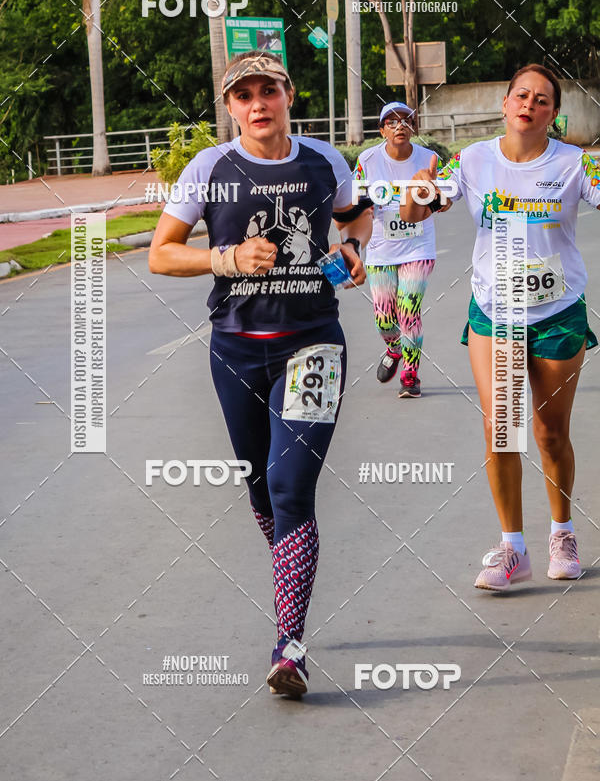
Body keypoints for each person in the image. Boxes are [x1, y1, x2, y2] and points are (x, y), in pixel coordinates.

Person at [148, 51, 372, 694]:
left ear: (289, 94)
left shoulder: (323, 160)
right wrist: (227, 258)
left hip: (314, 346)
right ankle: (288, 573)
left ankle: (289, 646)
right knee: (261, 494)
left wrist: (353, 245)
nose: (257, 104)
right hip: (237, 350)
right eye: (243, 95)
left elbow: (356, 213)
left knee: (289, 487)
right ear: (229, 107)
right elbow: (163, 254)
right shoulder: (209, 168)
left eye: (267, 90)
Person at [402, 64, 599, 591]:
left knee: (550, 432)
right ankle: (513, 547)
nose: (528, 104)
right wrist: (419, 190)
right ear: (506, 102)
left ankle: (562, 532)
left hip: (558, 312)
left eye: (541, 99)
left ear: (553, 114)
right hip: (496, 313)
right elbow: (416, 212)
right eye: (520, 95)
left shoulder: (578, 164)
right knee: (501, 426)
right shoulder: (472, 160)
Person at [354, 102, 439, 397]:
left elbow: (439, 203)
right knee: (385, 318)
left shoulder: (429, 159)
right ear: (382, 130)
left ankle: (410, 375)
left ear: (413, 127)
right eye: (392, 122)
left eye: (406, 120)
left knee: (408, 309)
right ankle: (393, 347)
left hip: (418, 246)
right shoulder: (367, 159)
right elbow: (357, 201)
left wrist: (434, 196)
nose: (400, 126)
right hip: (380, 248)